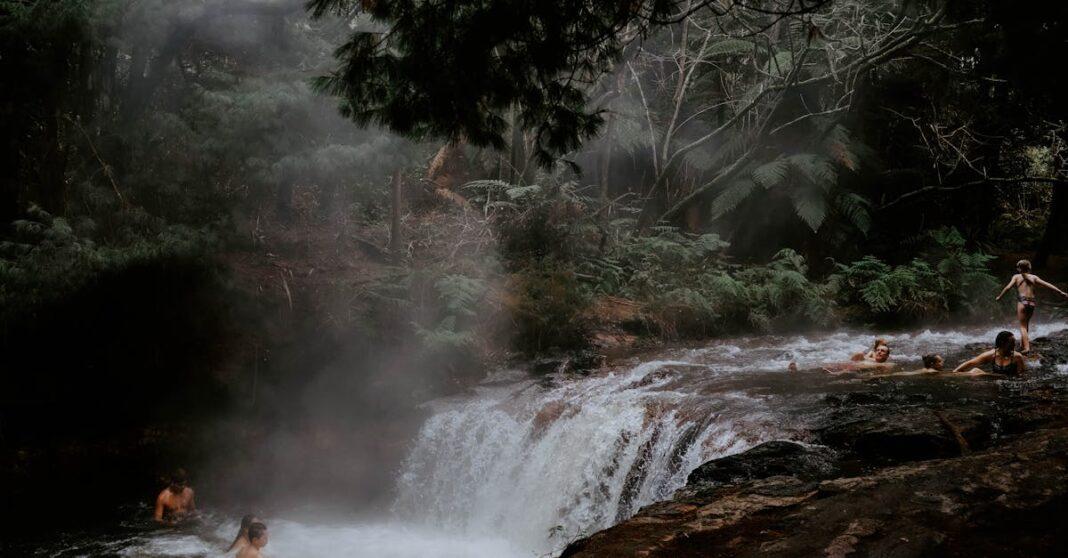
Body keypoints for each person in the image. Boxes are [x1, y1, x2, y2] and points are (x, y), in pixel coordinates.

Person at [995, 259, 1068, 352]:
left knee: (1022, 326)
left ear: (1019, 268)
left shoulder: (1016, 276)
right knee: (1026, 325)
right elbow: (1047, 285)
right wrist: (1061, 292)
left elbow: (1008, 287)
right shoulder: (1034, 277)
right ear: (1029, 268)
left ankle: (1026, 347)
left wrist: (1000, 297)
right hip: (1032, 302)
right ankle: (1022, 345)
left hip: (1022, 301)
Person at [953, 330, 1027, 376]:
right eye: (1012, 342)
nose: (1014, 344)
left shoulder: (1017, 357)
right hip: (994, 380)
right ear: (1002, 343)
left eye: (1014, 342)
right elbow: (970, 363)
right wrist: (955, 372)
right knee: (975, 371)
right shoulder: (991, 355)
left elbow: (1022, 376)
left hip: (1011, 383)